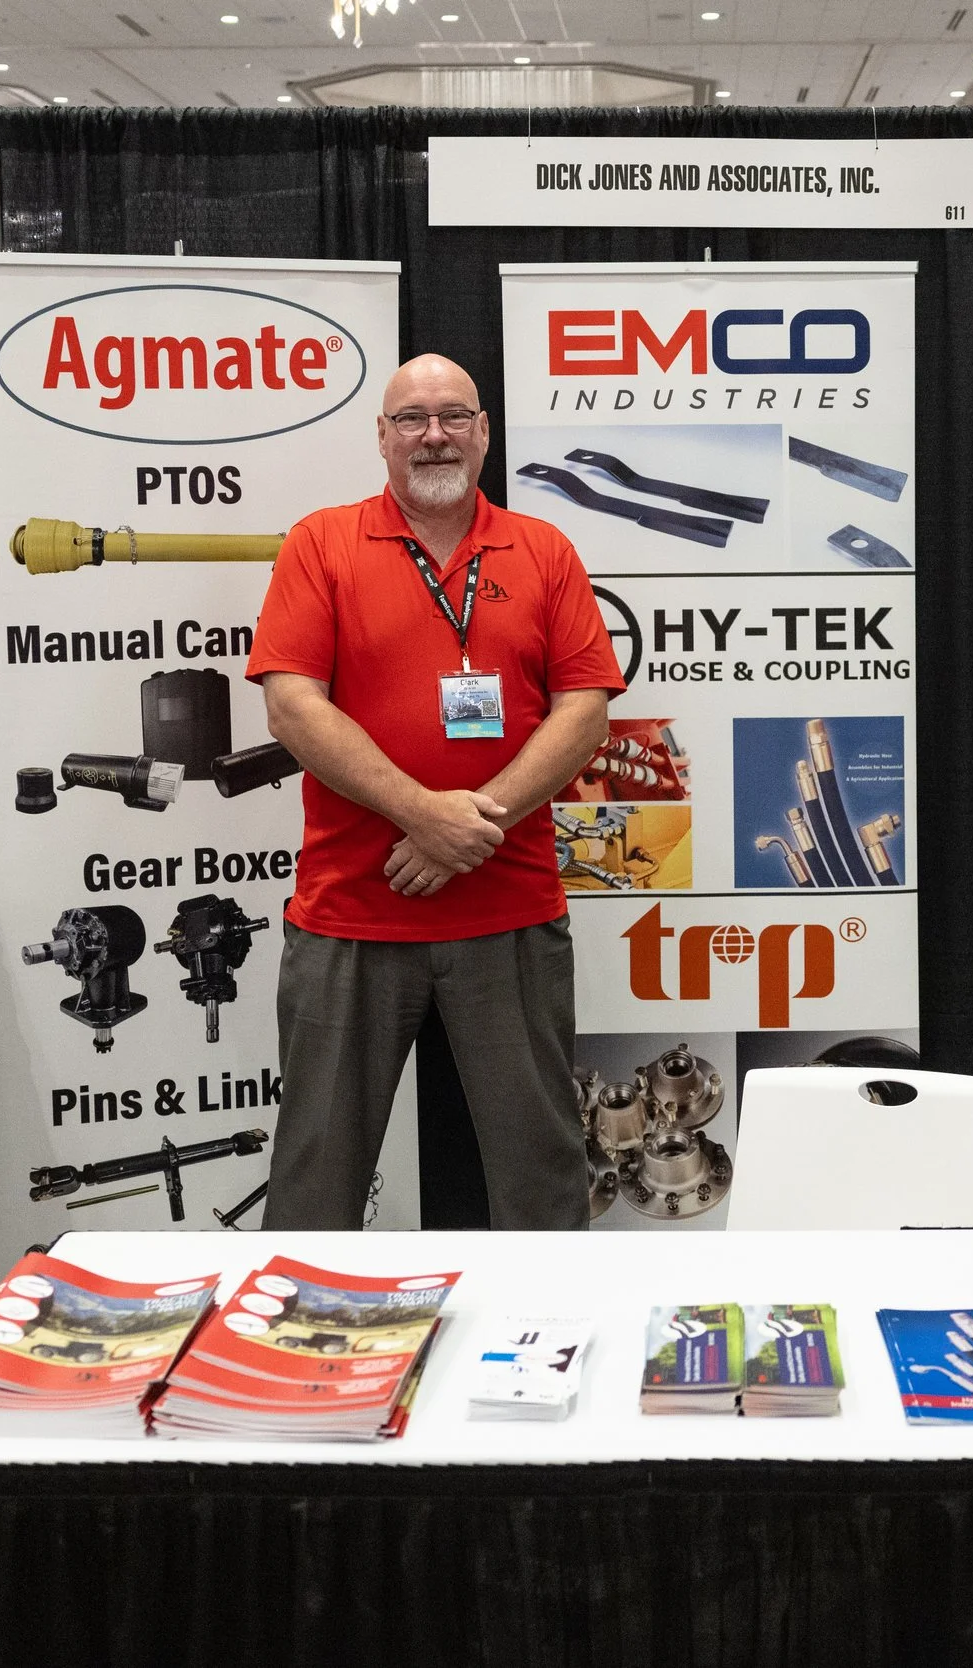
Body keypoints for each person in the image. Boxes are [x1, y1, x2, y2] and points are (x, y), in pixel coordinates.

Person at [244, 354, 624, 1232]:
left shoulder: (544, 551)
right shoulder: (322, 543)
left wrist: (470, 826)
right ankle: (304, 1325)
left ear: (484, 432)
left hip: (509, 913)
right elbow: (292, 706)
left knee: (543, 1181)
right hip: (351, 914)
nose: (434, 435)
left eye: (454, 416)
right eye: (412, 419)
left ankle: (549, 1325)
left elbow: (585, 714)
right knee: (315, 1180)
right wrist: (424, 813)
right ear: (382, 437)